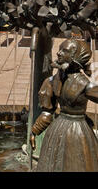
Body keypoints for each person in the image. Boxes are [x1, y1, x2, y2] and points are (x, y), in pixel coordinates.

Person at [30, 38, 98, 172]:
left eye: (64, 51)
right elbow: (47, 112)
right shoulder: (54, 80)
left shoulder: (86, 85)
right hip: (61, 128)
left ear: (76, 57)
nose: (58, 53)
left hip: (77, 131)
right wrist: (35, 131)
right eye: (59, 49)